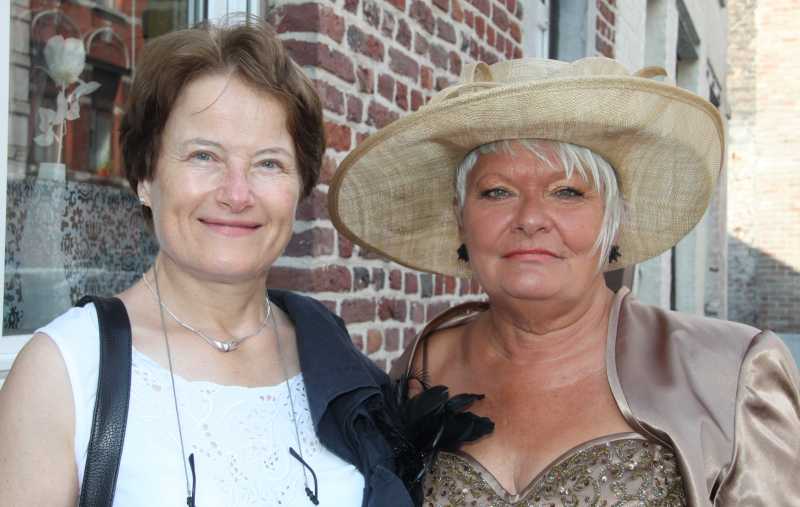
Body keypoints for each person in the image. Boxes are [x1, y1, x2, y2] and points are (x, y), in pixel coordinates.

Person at [328, 57, 800, 505]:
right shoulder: (426, 362)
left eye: (567, 192)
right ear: (460, 219)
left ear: (613, 221)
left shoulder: (729, 373)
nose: (531, 218)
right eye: (497, 192)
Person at [0, 20, 414, 507]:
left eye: (268, 163)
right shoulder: (64, 371)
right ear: (145, 177)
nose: (237, 194)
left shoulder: (331, 354)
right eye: (203, 156)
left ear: (299, 189)